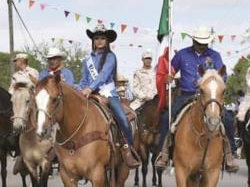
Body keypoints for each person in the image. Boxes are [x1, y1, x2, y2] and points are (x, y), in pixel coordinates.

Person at [154, 26, 237, 172]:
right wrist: (169, 76)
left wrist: (212, 82)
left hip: (209, 97)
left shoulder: (215, 56)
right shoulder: (182, 54)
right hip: (187, 95)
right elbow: (171, 70)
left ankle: (230, 153)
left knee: (229, 119)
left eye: (205, 43)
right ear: (193, 41)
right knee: (167, 117)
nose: (202, 45)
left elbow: (222, 75)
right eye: (199, 42)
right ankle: (164, 153)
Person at [78, 24, 140, 169]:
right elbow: (84, 79)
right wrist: (80, 89)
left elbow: (104, 74)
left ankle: (128, 149)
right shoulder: (87, 60)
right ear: (93, 40)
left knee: (123, 119)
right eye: (96, 38)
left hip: (109, 94)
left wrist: (90, 88)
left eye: (102, 38)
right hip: (91, 94)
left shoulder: (111, 57)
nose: (99, 41)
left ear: (107, 41)